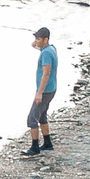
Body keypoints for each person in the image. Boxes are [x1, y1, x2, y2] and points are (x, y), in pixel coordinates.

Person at [24, 27, 58, 156]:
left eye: (39, 39)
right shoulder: (50, 49)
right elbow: (34, 46)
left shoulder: (46, 54)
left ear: (46, 39)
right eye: (36, 39)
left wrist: (39, 93)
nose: (36, 41)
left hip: (45, 91)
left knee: (32, 118)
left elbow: (46, 73)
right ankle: (47, 143)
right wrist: (36, 41)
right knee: (42, 116)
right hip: (51, 89)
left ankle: (34, 147)